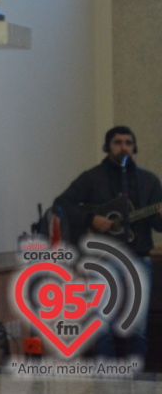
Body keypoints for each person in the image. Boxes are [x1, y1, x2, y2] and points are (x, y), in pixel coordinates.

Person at [54, 126, 162, 363]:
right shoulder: (92, 178)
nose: (124, 147)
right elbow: (61, 204)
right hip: (103, 259)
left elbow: (158, 225)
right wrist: (91, 219)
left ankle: (137, 381)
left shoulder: (148, 181)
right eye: (117, 142)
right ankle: (106, 382)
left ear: (134, 147)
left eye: (128, 143)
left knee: (138, 327)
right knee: (103, 323)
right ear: (107, 146)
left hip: (138, 257)